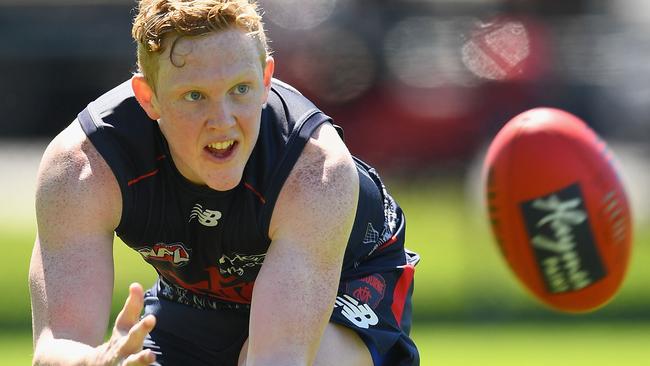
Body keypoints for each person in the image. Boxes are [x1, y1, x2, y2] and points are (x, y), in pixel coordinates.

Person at [29, 0, 420, 365]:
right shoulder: (84, 167)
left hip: (345, 281)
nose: (223, 120)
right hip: (193, 297)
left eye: (240, 90)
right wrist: (91, 361)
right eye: (194, 95)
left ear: (267, 78)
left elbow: (278, 356)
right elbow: (57, 343)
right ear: (148, 97)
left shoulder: (313, 171)